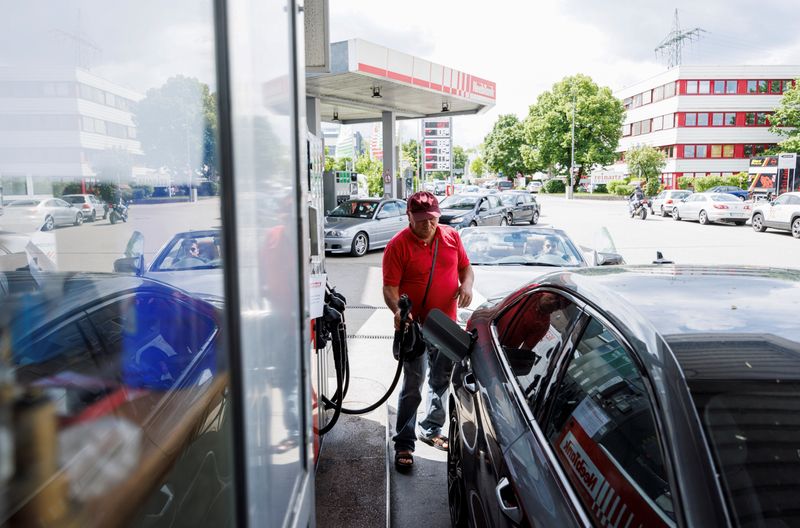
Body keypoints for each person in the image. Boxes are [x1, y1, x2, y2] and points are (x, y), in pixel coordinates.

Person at [382, 191, 474, 471]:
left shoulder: (451, 237)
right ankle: (404, 442)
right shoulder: (397, 246)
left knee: (441, 380)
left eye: (432, 219)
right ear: (409, 216)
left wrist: (466, 285)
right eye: (421, 220)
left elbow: (466, 268)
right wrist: (398, 310)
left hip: (445, 325)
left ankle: (431, 427)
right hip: (415, 327)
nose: (428, 225)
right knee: (413, 383)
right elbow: (389, 288)